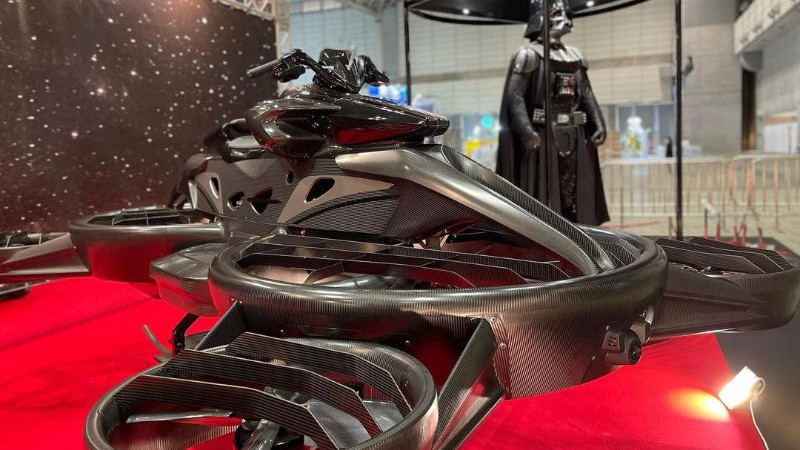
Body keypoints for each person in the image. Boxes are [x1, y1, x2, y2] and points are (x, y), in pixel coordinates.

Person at [497, 0, 609, 225]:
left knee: (574, 190)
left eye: (565, 13)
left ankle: (577, 230)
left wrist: (598, 122)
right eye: (557, 13)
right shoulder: (528, 55)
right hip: (543, 135)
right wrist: (526, 131)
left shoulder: (575, 56)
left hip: (574, 133)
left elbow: (586, 92)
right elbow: (515, 96)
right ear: (541, 17)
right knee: (545, 192)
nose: (564, 19)